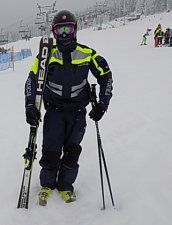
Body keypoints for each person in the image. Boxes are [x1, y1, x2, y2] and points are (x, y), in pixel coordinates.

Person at [24, 10, 113, 206]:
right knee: (51, 149)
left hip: (77, 113)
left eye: (68, 29)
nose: (64, 34)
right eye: (60, 30)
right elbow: (31, 80)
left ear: (75, 30)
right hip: (54, 111)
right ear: (54, 32)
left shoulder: (87, 53)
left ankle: (65, 186)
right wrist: (30, 105)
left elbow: (106, 75)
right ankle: (47, 185)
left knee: (72, 150)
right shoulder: (46, 55)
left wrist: (103, 104)